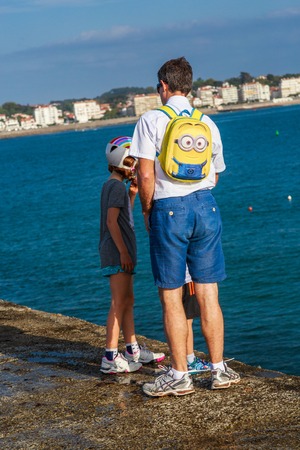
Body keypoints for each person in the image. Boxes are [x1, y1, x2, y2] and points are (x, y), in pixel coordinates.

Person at [130, 57, 240, 395]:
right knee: (208, 291)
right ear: (188, 85)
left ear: (163, 85)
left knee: (172, 295)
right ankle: (219, 370)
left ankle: (180, 375)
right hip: (205, 205)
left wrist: (148, 210)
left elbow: (145, 174)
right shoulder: (207, 122)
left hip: (169, 207)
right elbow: (216, 173)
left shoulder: (151, 120)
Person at [99, 136, 165, 374]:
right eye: (133, 160)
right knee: (119, 303)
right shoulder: (116, 186)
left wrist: (133, 194)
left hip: (118, 251)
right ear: (122, 160)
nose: (136, 165)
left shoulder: (114, 186)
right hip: (118, 252)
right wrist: (124, 252)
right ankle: (109, 357)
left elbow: (121, 215)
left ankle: (132, 350)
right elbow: (111, 222)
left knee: (128, 301)